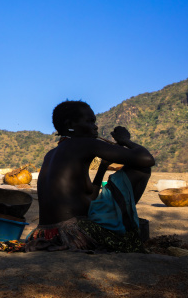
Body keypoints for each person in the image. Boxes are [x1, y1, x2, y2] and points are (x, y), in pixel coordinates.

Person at [27, 101, 155, 253]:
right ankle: (126, 228)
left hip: (46, 234)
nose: (95, 126)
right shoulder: (86, 143)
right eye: (90, 121)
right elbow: (146, 159)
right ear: (70, 124)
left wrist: (103, 167)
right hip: (74, 233)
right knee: (141, 169)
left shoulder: (51, 154)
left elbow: (88, 200)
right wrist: (125, 140)